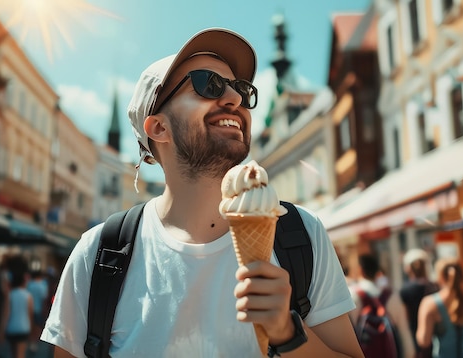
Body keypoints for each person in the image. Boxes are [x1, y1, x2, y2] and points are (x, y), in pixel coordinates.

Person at [41, 28, 362, 357]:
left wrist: (288, 332)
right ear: (159, 128)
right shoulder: (98, 254)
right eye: (207, 83)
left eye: (242, 89)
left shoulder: (301, 234)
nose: (235, 99)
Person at [349, 254, 415, 358]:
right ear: (377, 271)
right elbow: (404, 333)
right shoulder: (391, 295)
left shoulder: (353, 295)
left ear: (360, 270)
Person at [399, 248, 439, 353]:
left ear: (408, 268)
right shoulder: (435, 287)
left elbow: (405, 317)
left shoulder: (405, 290)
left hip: (415, 338)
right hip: (436, 338)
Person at [2, 255, 33, 358]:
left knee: (12, 354)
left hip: (11, 328)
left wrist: (2, 330)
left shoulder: (10, 295)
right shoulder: (28, 296)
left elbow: (6, 313)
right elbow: (30, 314)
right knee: (20, 355)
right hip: (23, 328)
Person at [26, 270, 48, 352]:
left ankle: (31, 342)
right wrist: (44, 309)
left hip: (30, 309)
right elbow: (44, 299)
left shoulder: (30, 284)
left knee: (31, 326)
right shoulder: (43, 285)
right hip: (39, 309)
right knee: (38, 327)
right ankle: (35, 343)